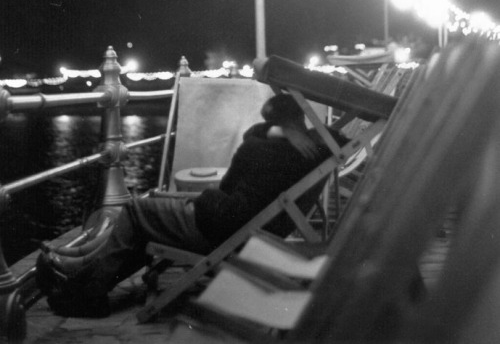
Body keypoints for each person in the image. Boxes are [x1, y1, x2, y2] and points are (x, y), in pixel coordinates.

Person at [36, 92, 346, 318]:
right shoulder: (316, 150)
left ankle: (87, 292)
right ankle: (79, 263)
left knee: (136, 210)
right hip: (249, 230)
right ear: (299, 120)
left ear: (270, 121)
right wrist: (291, 131)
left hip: (222, 229)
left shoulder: (257, 147)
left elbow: (228, 182)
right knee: (149, 209)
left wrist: (275, 132)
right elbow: (340, 137)